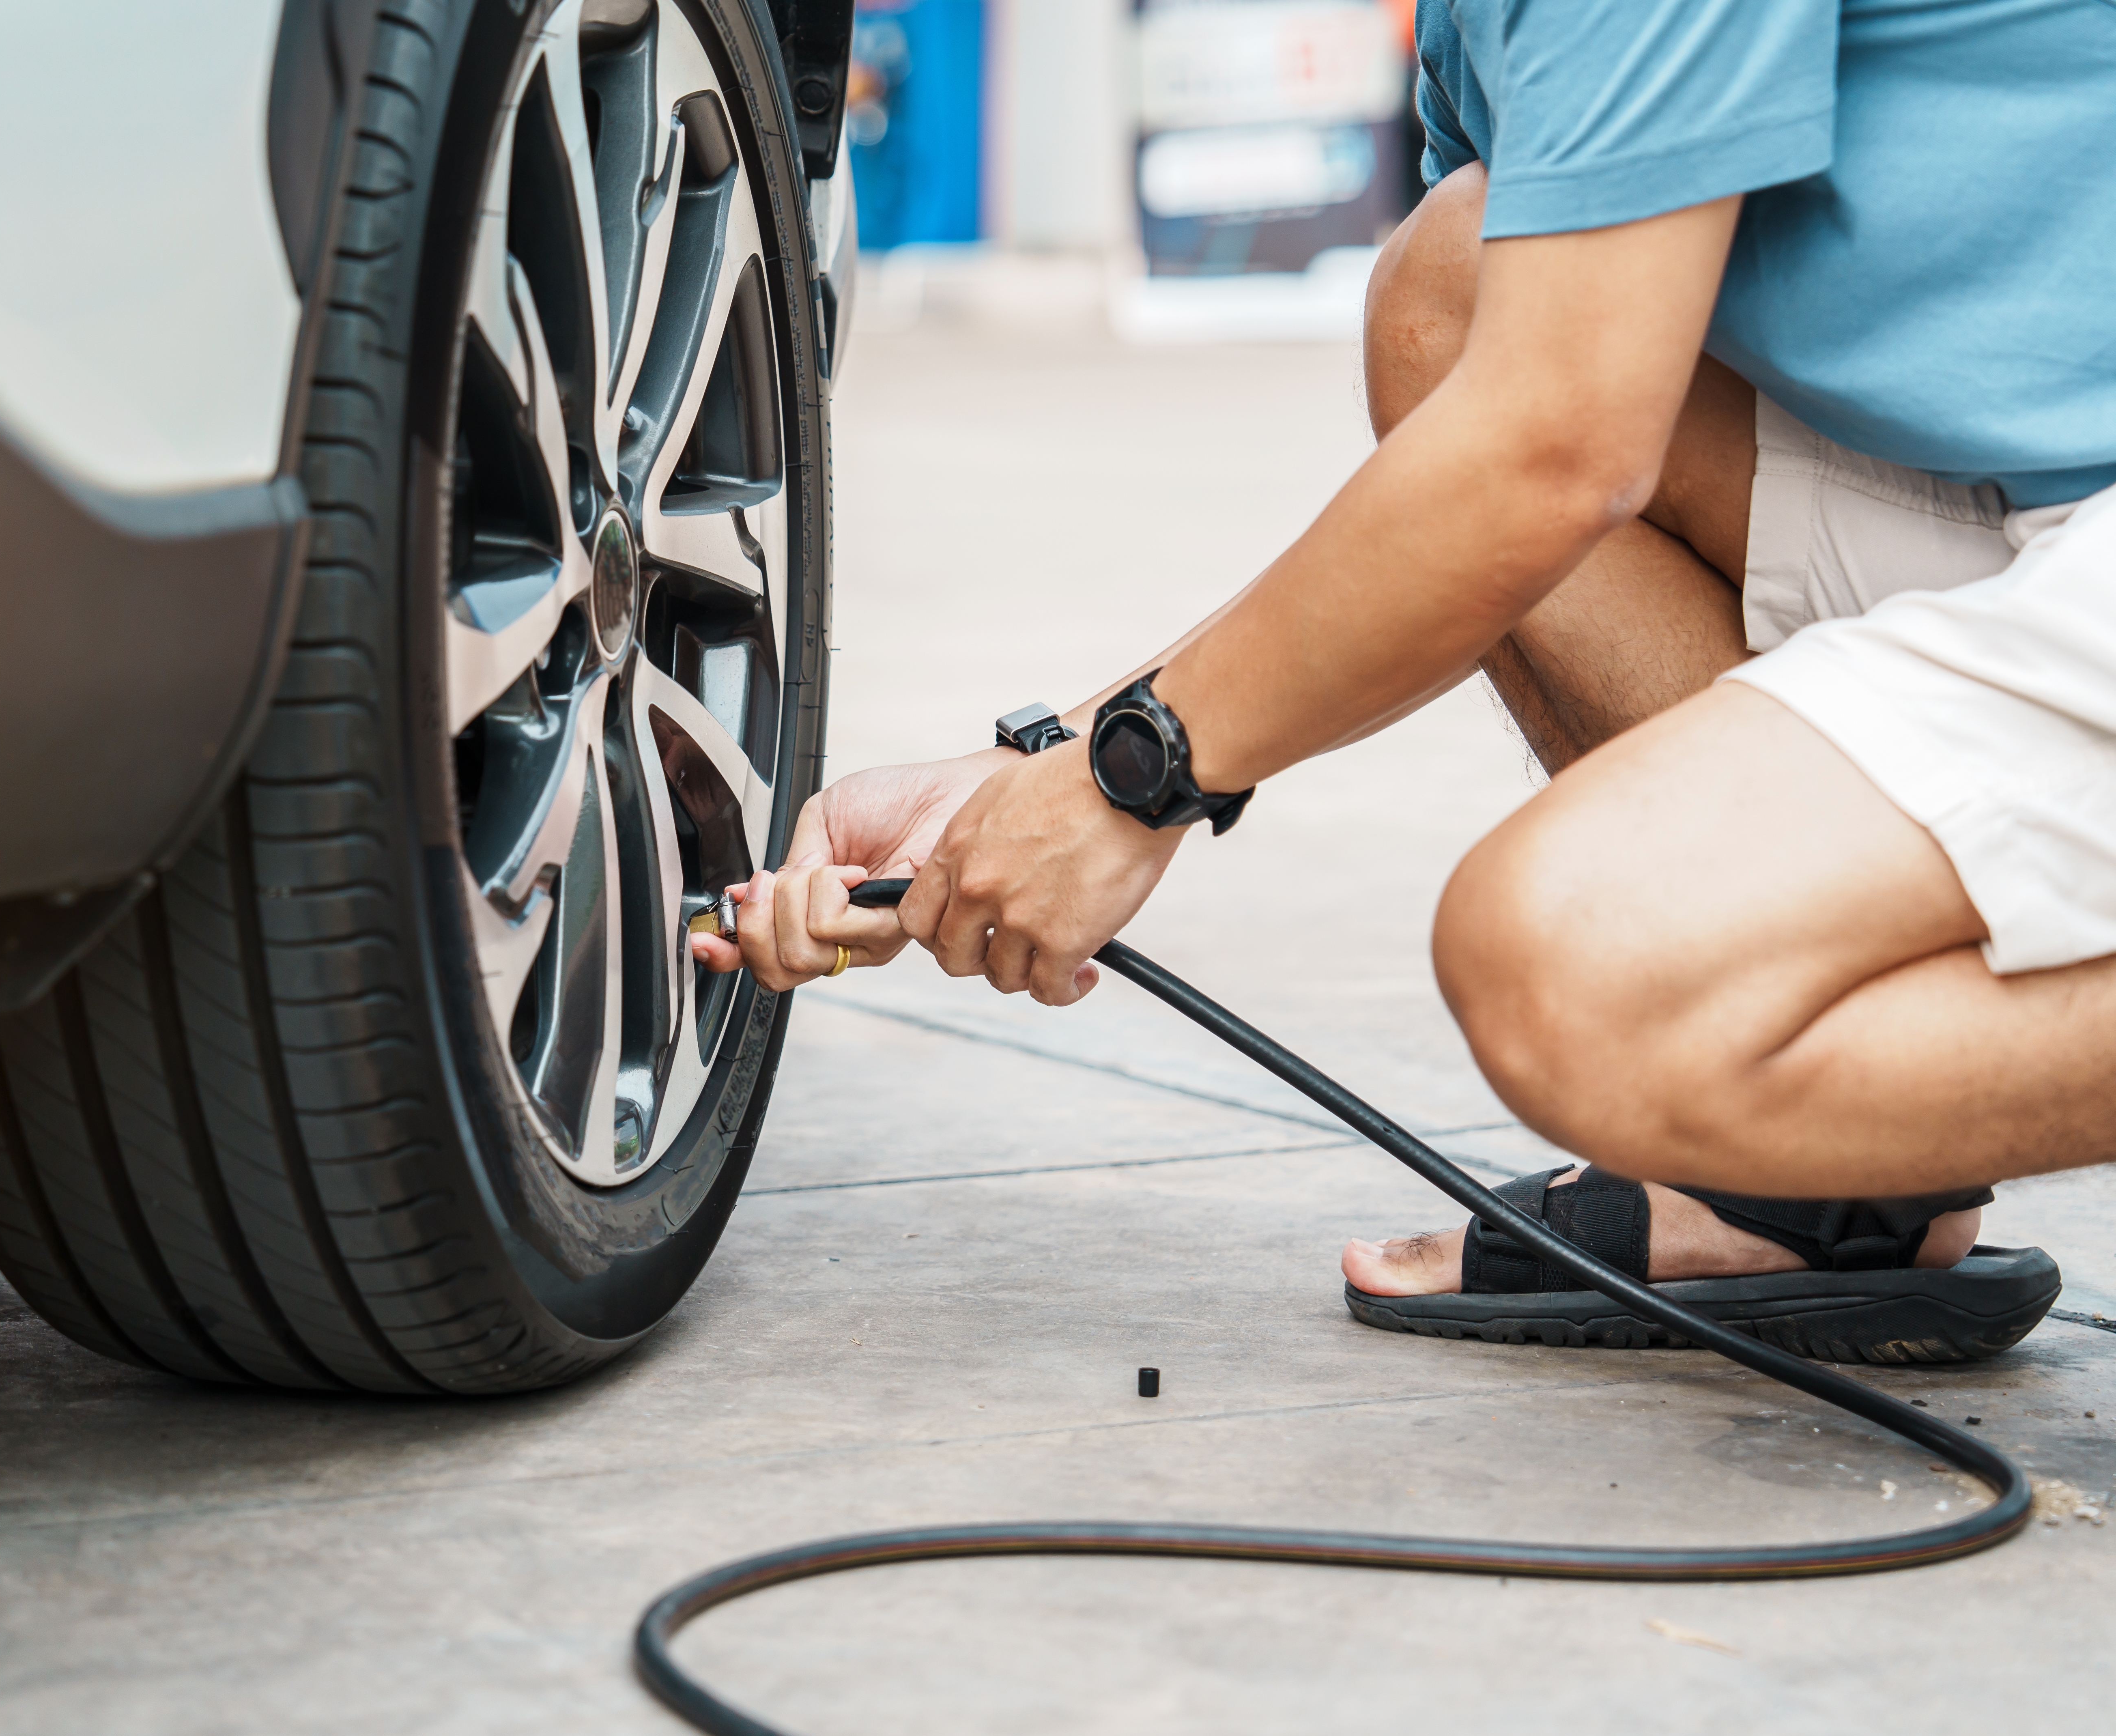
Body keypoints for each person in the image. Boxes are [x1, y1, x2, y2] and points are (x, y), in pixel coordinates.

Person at [689, 0, 2116, 1358]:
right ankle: (1825, 1203)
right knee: (1460, 288)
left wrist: (1134, 783)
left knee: (1579, 969)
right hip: (2044, 504)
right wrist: (1057, 762)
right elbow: (1488, 470)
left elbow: (1554, 452)